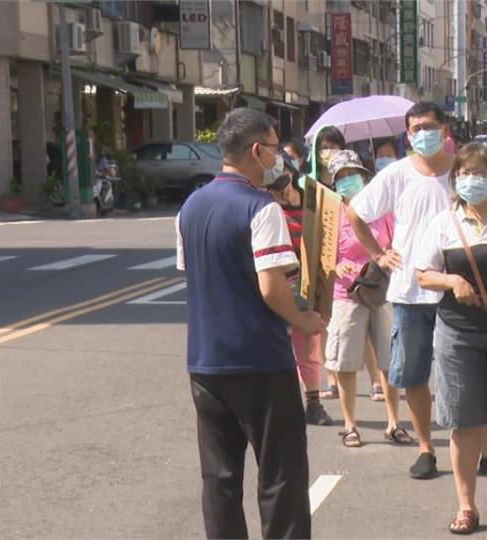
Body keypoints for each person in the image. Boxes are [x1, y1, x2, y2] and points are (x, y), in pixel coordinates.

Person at [176, 108, 325, 539]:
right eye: (276, 149)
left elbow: (196, 272)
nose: (280, 159)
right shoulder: (261, 208)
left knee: (219, 479)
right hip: (260, 360)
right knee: (281, 474)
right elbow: (271, 287)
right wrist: (302, 318)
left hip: (205, 362)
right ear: (258, 151)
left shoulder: (191, 206)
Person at [416, 142, 487, 534]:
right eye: (463, 174)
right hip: (457, 335)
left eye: (479, 174)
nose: (470, 181)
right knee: (464, 423)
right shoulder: (444, 222)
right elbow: (423, 273)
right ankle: (466, 507)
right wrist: (451, 280)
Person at [347, 101, 455, 480]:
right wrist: (378, 254)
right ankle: (426, 448)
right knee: (413, 376)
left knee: (463, 376)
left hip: (456, 291)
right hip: (409, 293)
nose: (420, 134)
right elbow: (356, 213)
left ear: (445, 129)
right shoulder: (397, 174)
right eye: (413, 129)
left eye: (427, 126)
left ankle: (484, 448)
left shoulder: (463, 172)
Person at [323, 150, 413, 448]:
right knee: (346, 362)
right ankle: (350, 425)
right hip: (346, 294)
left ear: (364, 175)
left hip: (382, 291)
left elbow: (396, 244)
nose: (348, 181)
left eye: (352, 174)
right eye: (341, 177)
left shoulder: (382, 211)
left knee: (389, 361)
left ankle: (394, 422)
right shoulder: (331, 214)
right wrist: (336, 265)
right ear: (334, 183)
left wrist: (388, 256)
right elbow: (322, 256)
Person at [266, 156, 334, 426]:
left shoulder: (311, 202)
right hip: (278, 283)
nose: (279, 186)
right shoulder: (267, 209)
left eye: (282, 175)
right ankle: (282, 403)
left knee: (307, 345)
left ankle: (313, 403)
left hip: (307, 284)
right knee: (277, 346)